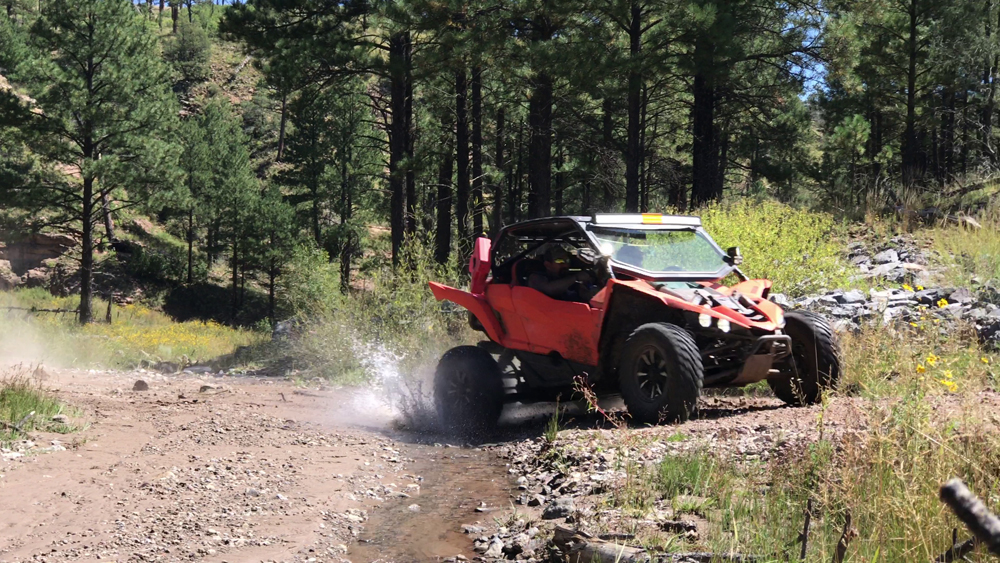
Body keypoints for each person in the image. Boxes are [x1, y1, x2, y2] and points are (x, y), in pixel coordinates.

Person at [528, 245, 598, 302]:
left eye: (567, 260)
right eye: (559, 261)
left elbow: (583, 294)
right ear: (547, 265)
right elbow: (550, 289)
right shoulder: (536, 278)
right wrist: (576, 277)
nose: (565, 265)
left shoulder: (565, 276)